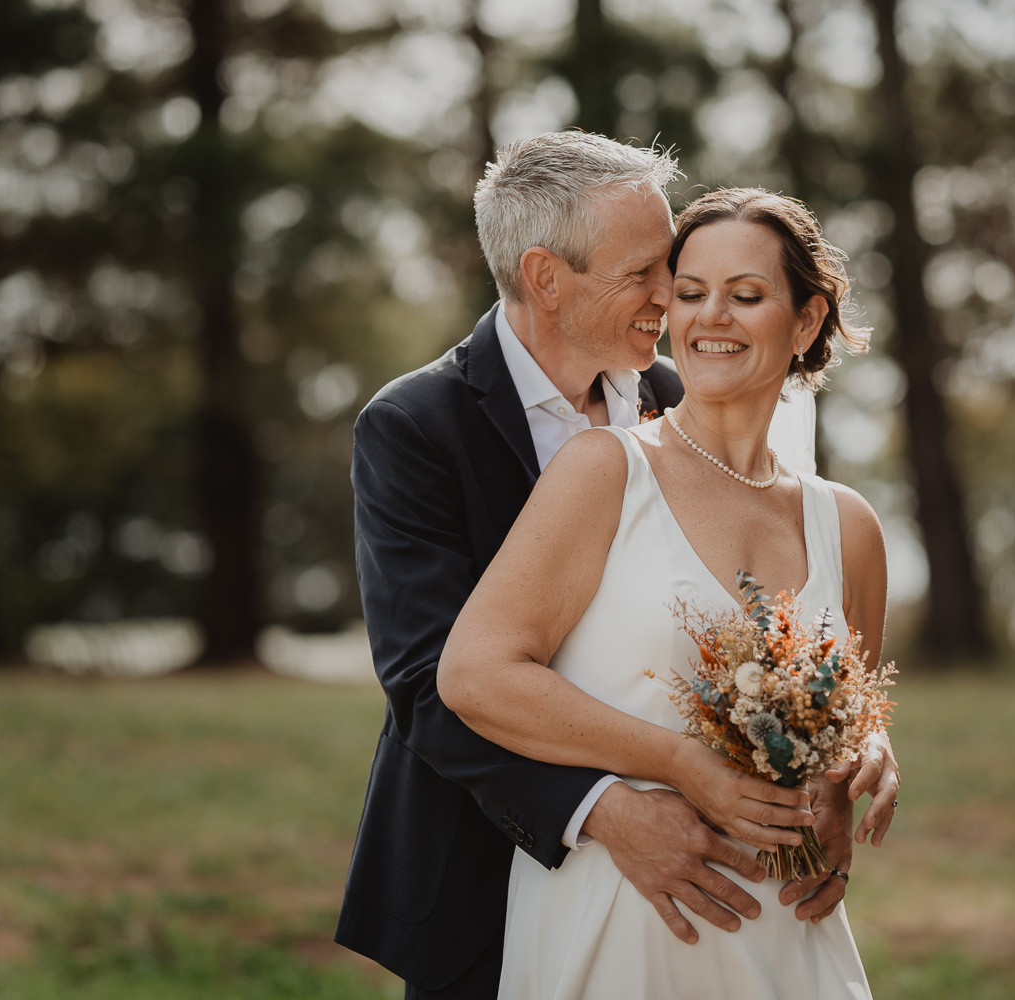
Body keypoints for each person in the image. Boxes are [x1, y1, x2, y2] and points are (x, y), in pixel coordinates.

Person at [336, 135, 853, 1000]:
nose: (673, 296)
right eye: (647, 270)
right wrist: (605, 812)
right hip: (480, 862)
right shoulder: (417, 426)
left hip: (701, 885)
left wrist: (842, 757)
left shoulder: (683, 400)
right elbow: (430, 682)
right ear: (546, 276)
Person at [439, 187, 900, 998]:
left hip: (790, 932)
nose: (708, 316)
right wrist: (683, 767)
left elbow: (844, 715)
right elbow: (475, 675)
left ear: (805, 321)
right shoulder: (605, 471)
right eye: (690, 293)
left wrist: (858, 765)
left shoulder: (849, 526)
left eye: (746, 296)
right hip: (627, 915)